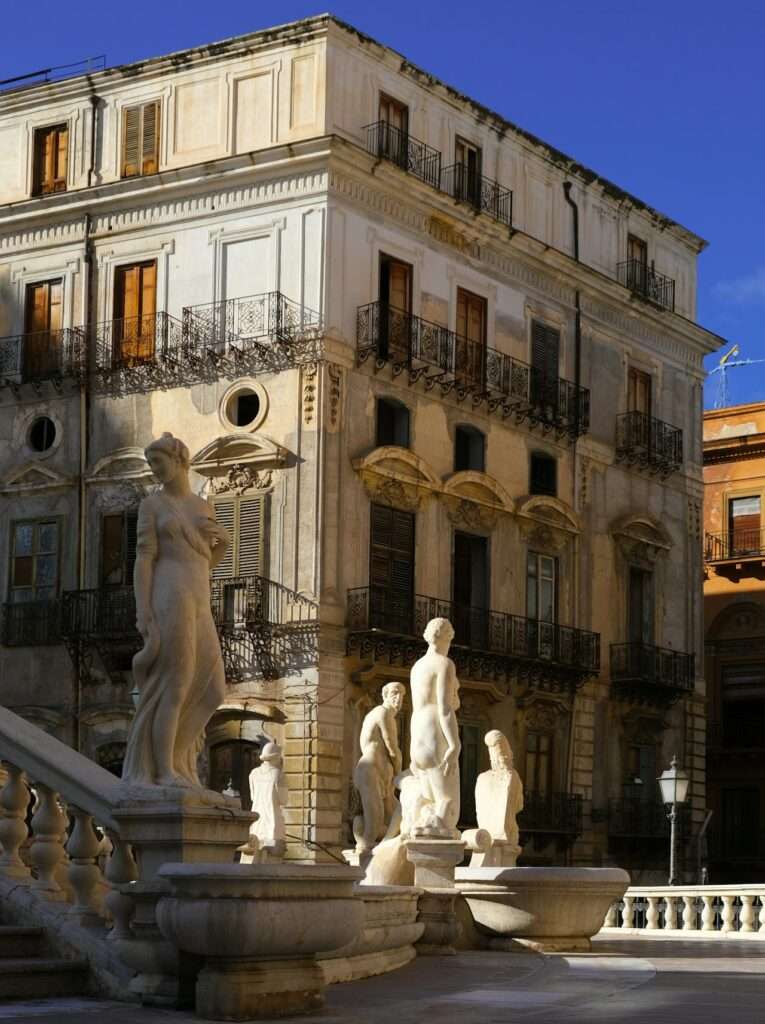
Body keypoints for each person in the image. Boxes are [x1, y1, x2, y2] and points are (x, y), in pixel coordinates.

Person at [122, 433, 231, 788]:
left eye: (158, 462)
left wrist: (225, 545)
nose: (154, 470)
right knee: (176, 683)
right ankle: (163, 770)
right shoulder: (152, 506)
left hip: (200, 597)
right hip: (170, 595)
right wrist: (144, 610)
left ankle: (179, 762)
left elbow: (206, 561)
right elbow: (143, 559)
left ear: (178, 459)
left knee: (213, 690)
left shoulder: (203, 507)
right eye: (151, 464)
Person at [408, 617, 461, 838]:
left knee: (428, 804)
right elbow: (445, 708)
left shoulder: (417, 666)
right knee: (446, 803)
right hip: (435, 732)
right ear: (448, 637)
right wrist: (455, 744)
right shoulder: (444, 664)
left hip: (417, 733)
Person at [353, 682, 405, 853]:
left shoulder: (385, 714)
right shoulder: (382, 713)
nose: (399, 698)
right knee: (374, 824)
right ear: (385, 695)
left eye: (402, 695)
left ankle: (384, 848)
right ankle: (365, 859)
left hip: (383, 775)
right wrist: (400, 775)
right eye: (395, 693)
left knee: (399, 816)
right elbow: (392, 747)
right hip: (370, 771)